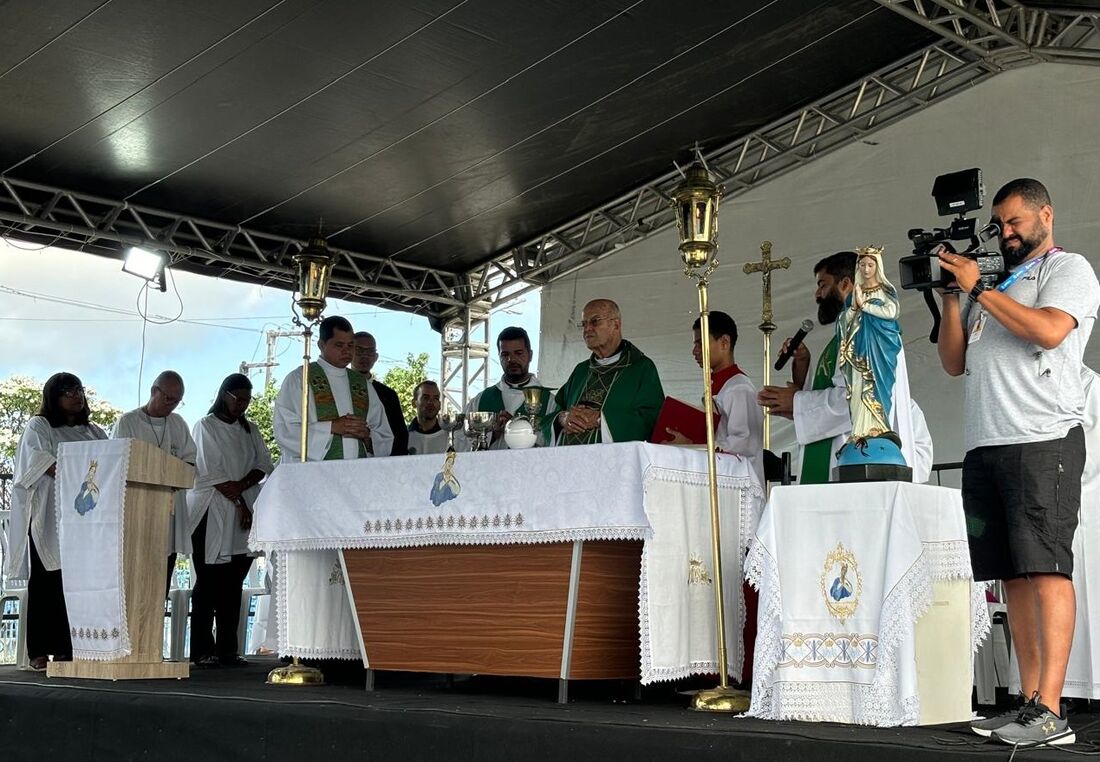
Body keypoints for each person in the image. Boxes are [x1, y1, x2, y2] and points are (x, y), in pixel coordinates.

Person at [937, 178, 1099, 746]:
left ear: (1045, 215)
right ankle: (1029, 702)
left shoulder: (1067, 269)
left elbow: (1051, 331)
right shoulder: (997, 285)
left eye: (1014, 223)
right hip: (986, 443)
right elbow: (954, 362)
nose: (1004, 233)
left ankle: (1052, 709)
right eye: (999, 225)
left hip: (1043, 438)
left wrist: (979, 287)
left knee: (1046, 567)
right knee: (1012, 574)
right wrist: (952, 295)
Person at [757, 252, 933, 483]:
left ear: (846, 283)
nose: (818, 294)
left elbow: (860, 397)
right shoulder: (848, 329)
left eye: (823, 285)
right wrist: (803, 366)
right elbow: (835, 390)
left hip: (863, 453)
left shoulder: (866, 327)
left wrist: (798, 403)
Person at [4, 373, 108, 670]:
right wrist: (85, 474)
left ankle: (71, 647)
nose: (76, 396)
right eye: (67, 391)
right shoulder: (40, 426)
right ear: (53, 396)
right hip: (50, 518)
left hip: (88, 519)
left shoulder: (94, 431)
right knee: (48, 582)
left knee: (79, 584)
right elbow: (42, 464)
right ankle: (38, 650)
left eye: (79, 390)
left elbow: (112, 463)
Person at [185, 374, 273, 667]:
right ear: (224, 395)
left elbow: (263, 463)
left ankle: (227, 648)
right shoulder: (205, 426)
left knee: (233, 583)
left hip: (244, 508)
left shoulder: (251, 429)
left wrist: (242, 486)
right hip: (212, 511)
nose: (242, 405)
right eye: (238, 399)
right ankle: (201, 649)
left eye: (247, 400)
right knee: (208, 583)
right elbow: (209, 471)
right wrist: (237, 499)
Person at [112, 371, 197, 596]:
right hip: (137, 514)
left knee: (160, 586)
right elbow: (119, 465)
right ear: (153, 391)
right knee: (133, 584)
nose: (171, 405)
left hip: (169, 512)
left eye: (177, 401)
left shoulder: (178, 423)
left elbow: (190, 461)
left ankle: (155, 627)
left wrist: (174, 476)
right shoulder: (128, 422)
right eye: (167, 398)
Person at [664, 311, 764, 486]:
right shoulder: (718, 385)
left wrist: (692, 444)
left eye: (700, 343)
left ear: (724, 342)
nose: (694, 351)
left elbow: (744, 443)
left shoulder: (739, 388)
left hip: (740, 483)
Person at [274, 315, 393, 462]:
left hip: (357, 473)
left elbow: (384, 434)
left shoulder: (362, 384)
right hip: (313, 475)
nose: (346, 351)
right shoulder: (300, 379)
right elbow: (285, 430)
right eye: (339, 345)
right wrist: (332, 427)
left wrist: (367, 435)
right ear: (321, 345)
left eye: (350, 345)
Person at [554, 299, 665, 445]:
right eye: (584, 324)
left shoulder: (641, 368)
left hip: (614, 462)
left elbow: (652, 419)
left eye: (595, 321)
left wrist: (601, 420)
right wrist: (564, 418)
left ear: (616, 324)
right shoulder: (581, 370)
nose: (587, 329)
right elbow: (553, 410)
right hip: (568, 459)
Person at [836, 246, 903, 445]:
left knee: (878, 386)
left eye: (870, 265)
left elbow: (891, 313)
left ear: (877, 267)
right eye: (862, 265)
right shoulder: (855, 292)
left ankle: (879, 427)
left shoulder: (885, 290)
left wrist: (865, 306)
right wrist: (854, 308)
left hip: (880, 350)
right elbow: (843, 322)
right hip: (858, 351)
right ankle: (859, 430)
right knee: (858, 387)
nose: (866, 269)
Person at [466, 326, 558, 448]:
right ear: (499, 357)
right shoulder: (480, 400)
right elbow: (462, 444)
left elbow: (556, 447)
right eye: (505, 354)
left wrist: (517, 430)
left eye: (518, 353)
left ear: (530, 355)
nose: (511, 359)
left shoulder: (550, 402)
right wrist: (492, 435)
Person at [352, 331, 409, 456]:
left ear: (376, 357)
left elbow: (399, 436)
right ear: (350, 351)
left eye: (370, 352)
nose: (365, 356)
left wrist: (370, 439)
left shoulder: (387, 395)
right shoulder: (339, 387)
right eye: (359, 351)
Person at [407, 380, 449, 455]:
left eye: (436, 398)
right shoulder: (403, 437)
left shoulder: (450, 437)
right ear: (414, 403)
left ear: (439, 405)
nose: (431, 402)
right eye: (425, 397)